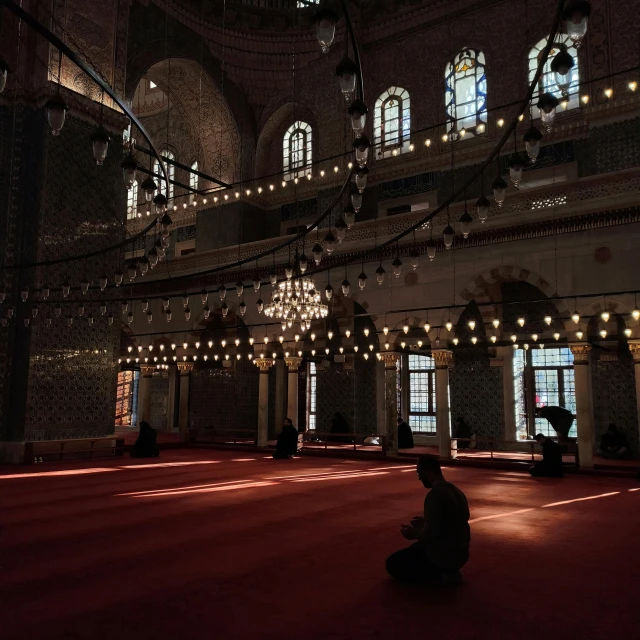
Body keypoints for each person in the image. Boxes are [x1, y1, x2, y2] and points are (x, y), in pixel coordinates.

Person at [386, 455, 470, 585]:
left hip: (444, 556)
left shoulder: (435, 495)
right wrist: (426, 521)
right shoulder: (456, 491)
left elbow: (432, 535)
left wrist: (413, 534)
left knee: (392, 563)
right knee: (414, 549)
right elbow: (451, 523)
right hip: (461, 553)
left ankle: (441, 576)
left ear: (427, 472)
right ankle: (448, 571)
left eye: (419, 473)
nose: (419, 477)